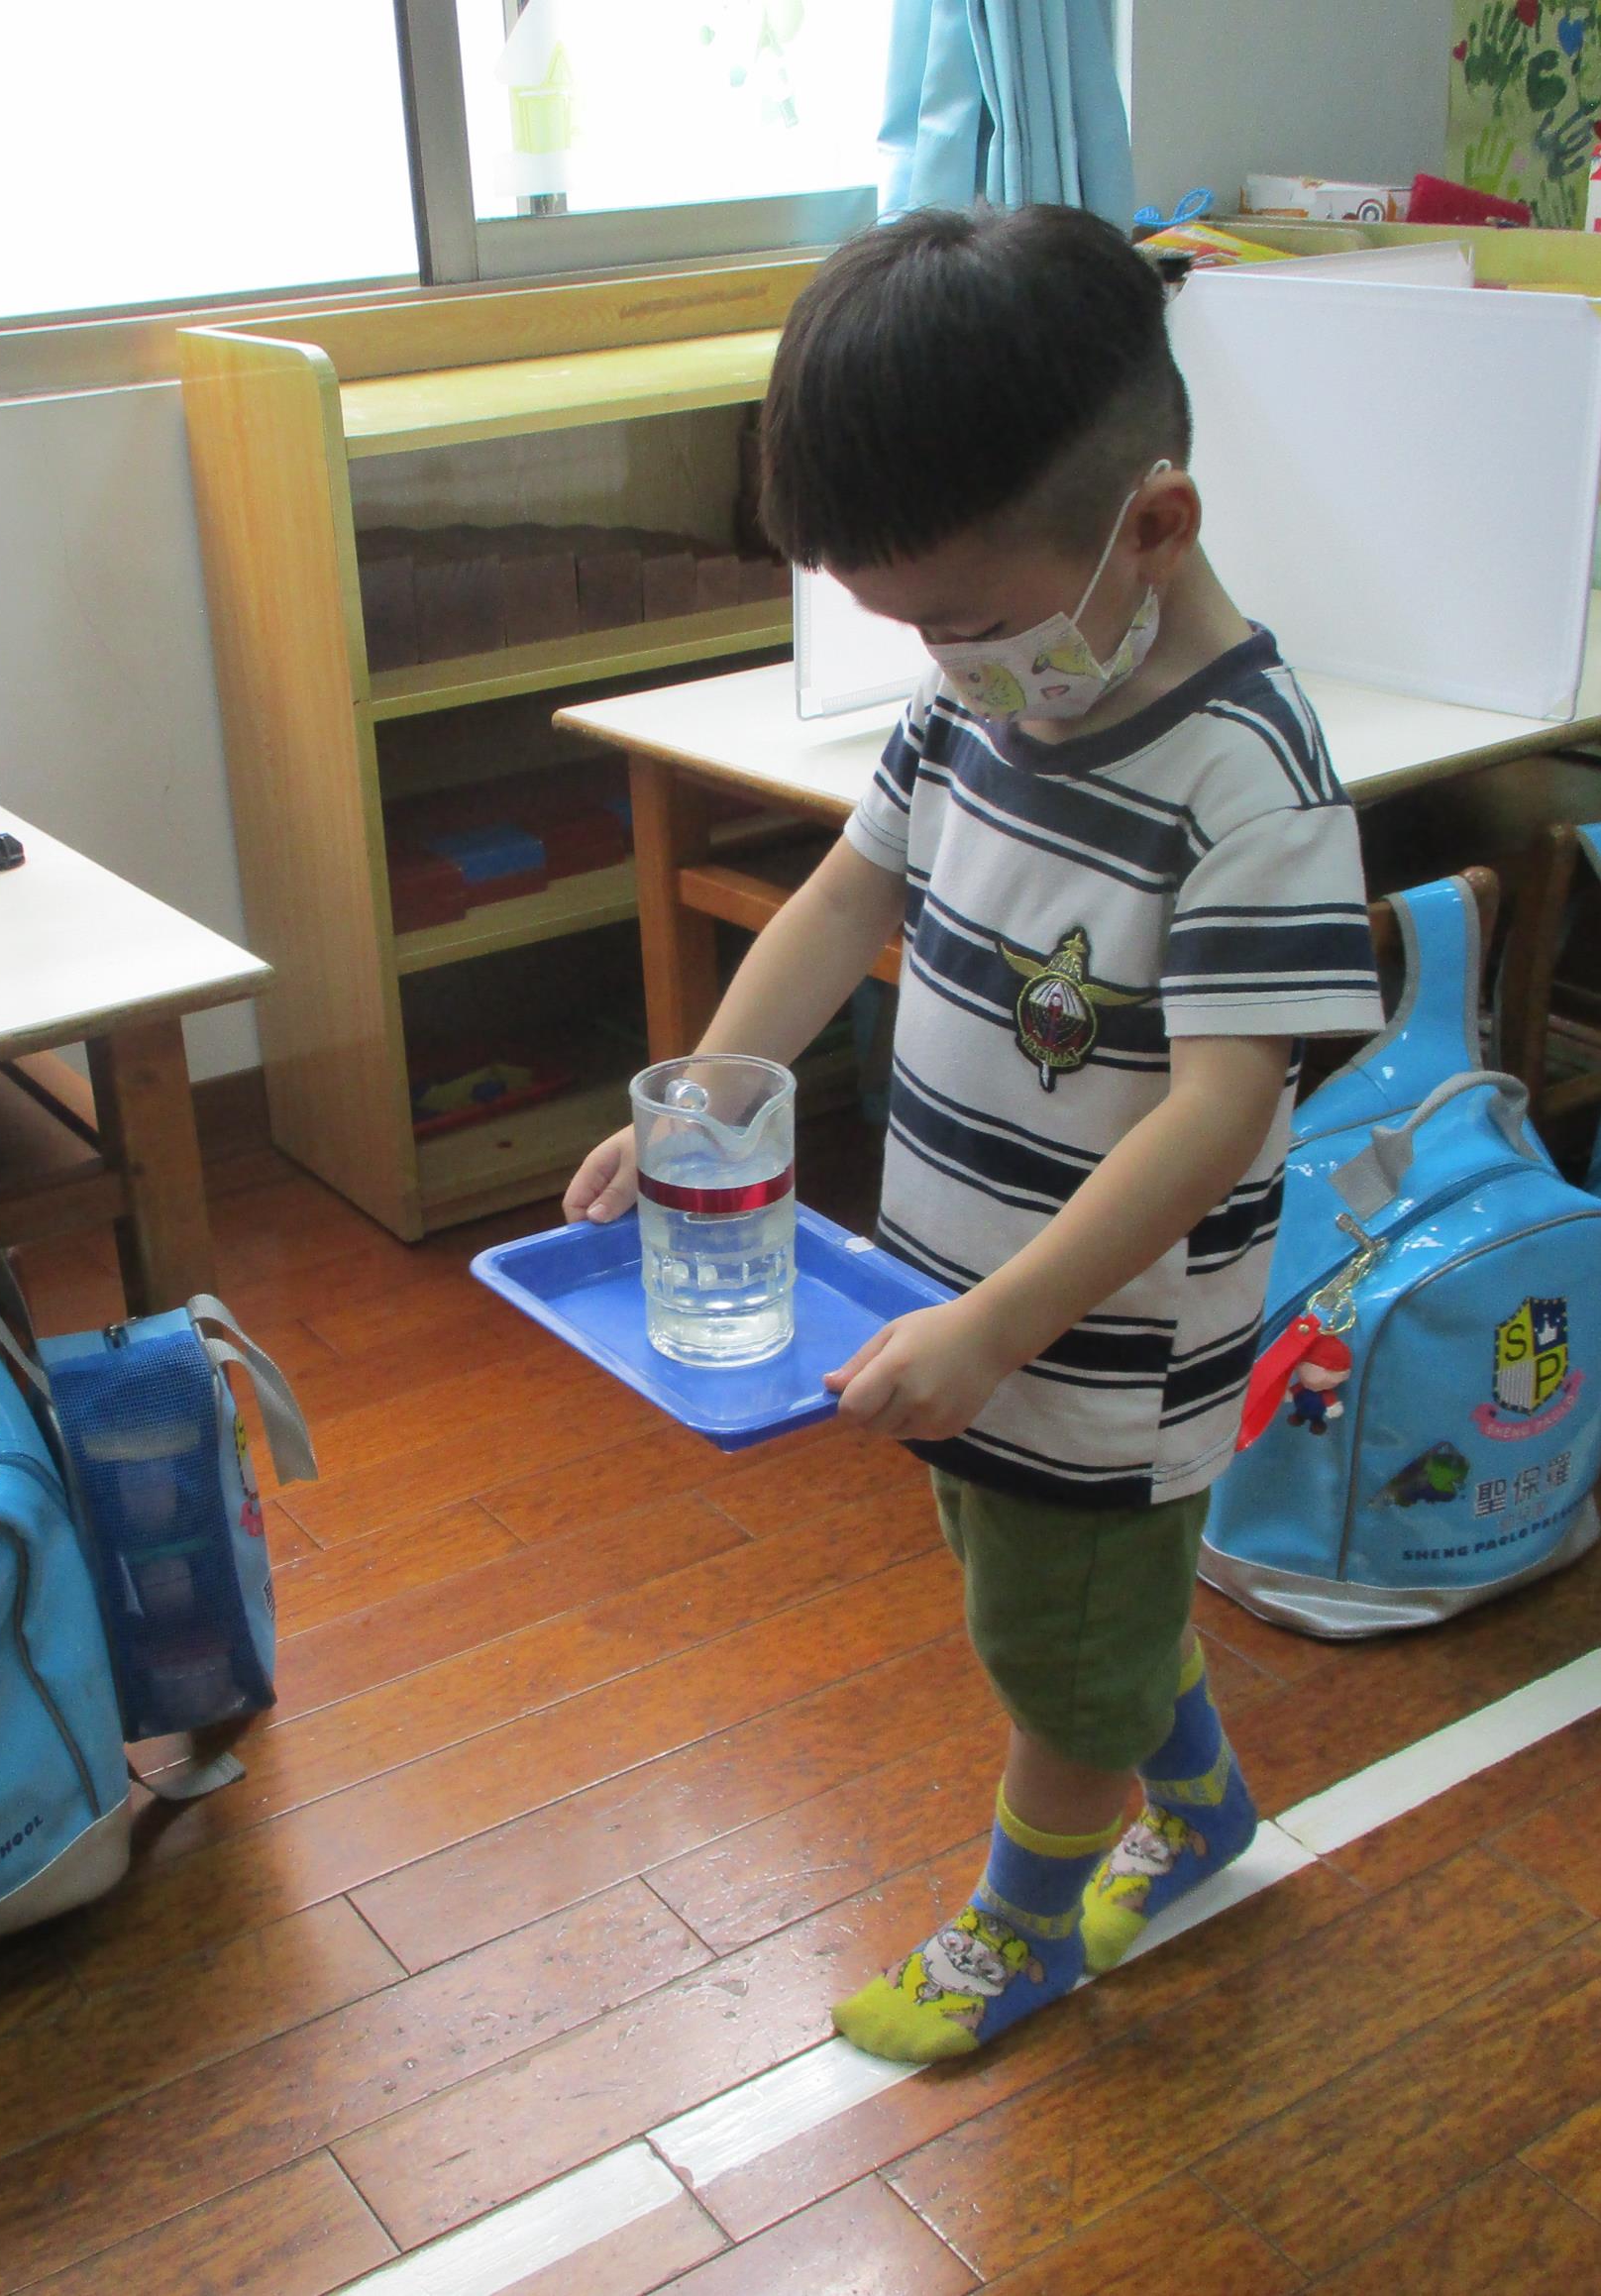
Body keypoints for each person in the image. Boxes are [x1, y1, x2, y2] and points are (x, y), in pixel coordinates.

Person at [564, 204, 1381, 2062]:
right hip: (954, 1312)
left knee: (1056, 1651)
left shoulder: (1248, 783)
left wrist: (1001, 1327)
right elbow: (844, 897)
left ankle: (1024, 1930)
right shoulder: (983, 705)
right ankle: (1204, 1806)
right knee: (1067, 1611)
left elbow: (1219, 1114)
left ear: (1152, 523)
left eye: (965, 619)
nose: (946, 662)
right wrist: (706, 1089)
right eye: (913, 628)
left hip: (1097, 1352)